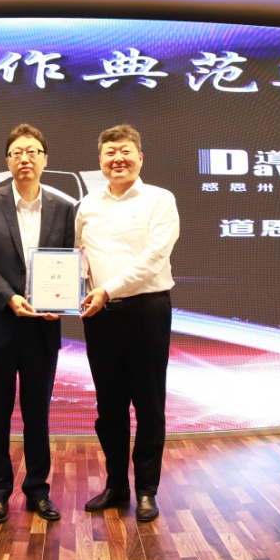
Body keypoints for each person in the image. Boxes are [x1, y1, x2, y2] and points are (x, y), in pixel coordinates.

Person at [0, 124, 76, 525]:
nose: (24, 158)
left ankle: (38, 490)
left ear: (45, 159)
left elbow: (69, 261)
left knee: (37, 415)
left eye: (32, 151)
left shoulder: (64, 207)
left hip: (42, 328)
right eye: (17, 152)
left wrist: (62, 299)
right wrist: (10, 298)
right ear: (7, 161)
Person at [77, 124, 179, 523]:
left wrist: (107, 289)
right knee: (109, 408)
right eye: (110, 152)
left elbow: (154, 257)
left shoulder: (160, 200)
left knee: (149, 406)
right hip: (101, 317)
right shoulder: (87, 205)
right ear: (100, 160)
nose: (117, 159)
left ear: (140, 157)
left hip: (147, 311)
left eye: (125, 151)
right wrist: (70, 282)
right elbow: (76, 254)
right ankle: (116, 485)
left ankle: (147, 490)